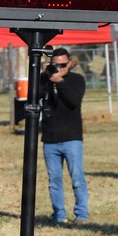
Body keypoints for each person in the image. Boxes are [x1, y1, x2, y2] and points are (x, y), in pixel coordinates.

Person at [41, 47, 89, 224]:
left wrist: (60, 82)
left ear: (69, 63)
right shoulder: (45, 79)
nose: (59, 69)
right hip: (50, 138)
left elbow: (73, 101)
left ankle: (81, 214)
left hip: (71, 137)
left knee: (77, 178)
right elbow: (34, 96)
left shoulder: (76, 80)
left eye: (62, 65)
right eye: (55, 65)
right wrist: (42, 76)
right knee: (54, 180)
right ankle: (59, 215)